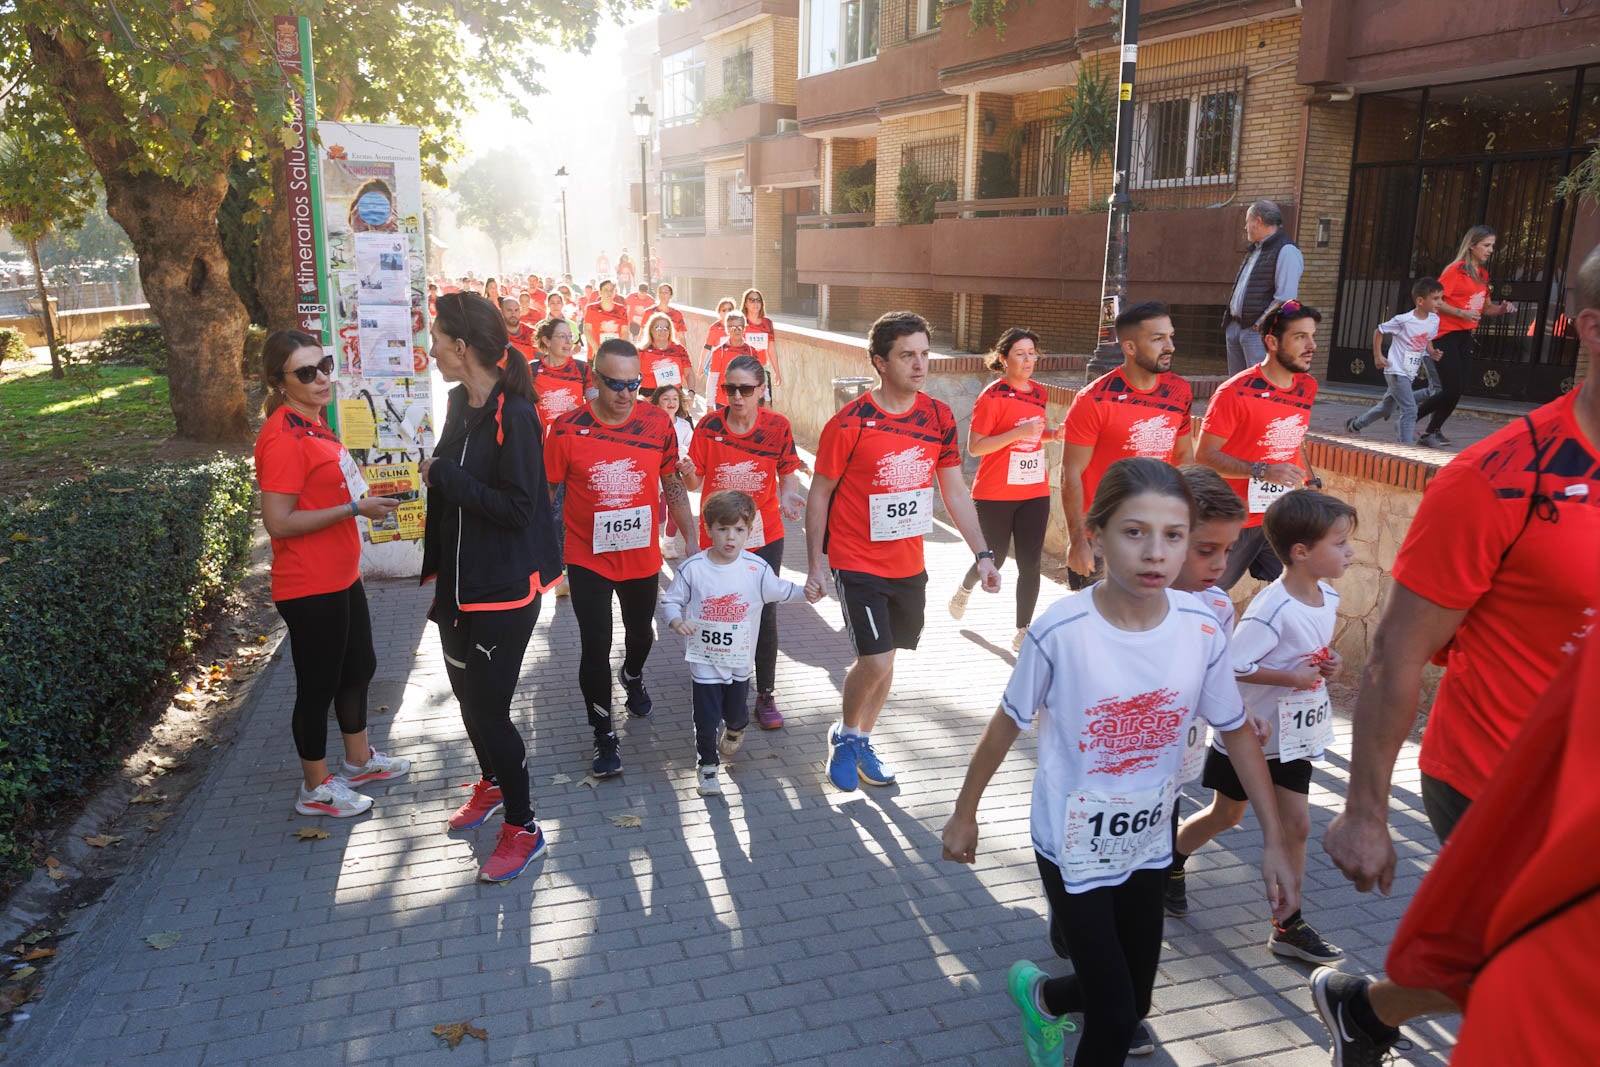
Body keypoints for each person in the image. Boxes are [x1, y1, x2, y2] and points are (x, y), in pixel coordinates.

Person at [1312, 244, 1600, 1065]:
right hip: (1496, 779)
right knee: (1539, 978)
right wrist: (1366, 811)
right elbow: (1394, 654)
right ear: (1592, 327)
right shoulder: (1500, 476)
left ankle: (1366, 1009)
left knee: (1498, 962)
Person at [940, 458, 1297, 1067]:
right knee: (1111, 1016)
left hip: (1149, 842)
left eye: (1174, 535)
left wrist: (1275, 839)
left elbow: (1236, 730)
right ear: (1096, 537)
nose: (1156, 553)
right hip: (1071, 844)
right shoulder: (1061, 630)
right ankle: (1065, 1000)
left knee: (1136, 1002)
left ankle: (1044, 996)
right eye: (1135, 532)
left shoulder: (1202, 629)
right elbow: (1006, 723)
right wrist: (964, 813)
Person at [1346, 634, 1600, 1066]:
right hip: (1479, 776)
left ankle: (1364, 1010)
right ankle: (1365, 1010)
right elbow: (1401, 647)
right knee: (1490, 959)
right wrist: (1365, 812)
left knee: (1483, 962)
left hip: (1542, 797)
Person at [804, 311, 1003, 792]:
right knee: (874, 660)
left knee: (888, 660)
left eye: (924, 354)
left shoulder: (937, 417)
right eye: (907, 355)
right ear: (880, 362)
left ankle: (862, 738)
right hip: (855, 559)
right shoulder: (850, 422)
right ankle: (844, 736)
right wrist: (815, 565)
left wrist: (982, 554)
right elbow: (820, 492)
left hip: (909, 563)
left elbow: (954, 490)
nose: (920, 364)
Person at [1169, 490, 1353, 967]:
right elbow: (1232, 665)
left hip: (1294, 735)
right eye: (1340, 543)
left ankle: (1288, 924)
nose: (1350, 552)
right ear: (1301, 552)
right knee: (1226, 816)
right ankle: (1171, 861)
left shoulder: (1329, 596)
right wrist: (1290, 678)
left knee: (1298, 825)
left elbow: (1310, 651)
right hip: (1250, 735)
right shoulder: (1272, 609)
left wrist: (1329, 661)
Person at [419, 292, 562, 882]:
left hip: (504, 590)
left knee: (489, 709)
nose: (430, 350)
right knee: (465, 697)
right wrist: (440, 474)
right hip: (457, 585)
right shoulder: (459, 402)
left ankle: (524, 828)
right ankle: (493, 782)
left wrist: (444, 475)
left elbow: (519, 509)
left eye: (435, 341)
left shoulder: (517, 414)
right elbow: (449, 475)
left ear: (460, 346)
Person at [254, 329, 409, 819]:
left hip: (341, 574)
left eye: (323, 366)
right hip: (308, 584)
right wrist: (354, 509)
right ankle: (315, 788)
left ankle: (358, 761)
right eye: (305, 372)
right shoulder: (283, 436)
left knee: (358, 668)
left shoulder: (314, 422)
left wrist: (359, 504)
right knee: (317, 686)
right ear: (279, 381)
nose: (321, 378)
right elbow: (278, 522)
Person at [544, 339, 698, 778]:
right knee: (595, 644)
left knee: (641, 635)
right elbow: (546, 492)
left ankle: (632, 674)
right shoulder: (566, 428)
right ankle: (603, 734)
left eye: (634, 384)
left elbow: (671, 482)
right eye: (616, 384)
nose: (626, 393)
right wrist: (537, 551)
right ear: (595, 380)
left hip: (640, 554)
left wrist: (691, 537)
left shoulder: (656, 422)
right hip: (587, 555)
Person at [681, 355, 807, 729]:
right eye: (730, 388)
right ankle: (716, 683)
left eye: (746, 389)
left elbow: (787, 473)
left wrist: (788, 495)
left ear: (761, 390)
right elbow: (694, 482)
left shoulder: (777, 426)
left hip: (763, 534)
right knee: (716, 609)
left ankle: (765, 693)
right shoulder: (709, 426)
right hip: (718, 536)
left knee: (764, 612)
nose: (737, 396)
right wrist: (686, 472)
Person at [662, 490, 816, 797]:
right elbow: (671, 601)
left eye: (739, 529)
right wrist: (677, 621)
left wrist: (810, 592)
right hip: (704, 661)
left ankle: (736, 728)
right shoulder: (693, 568)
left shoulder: (756, 569)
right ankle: (707, 766)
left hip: (739, 663)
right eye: (722, 529)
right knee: (705, 719)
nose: (730, 537)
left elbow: (783, 590)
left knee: (735, 713)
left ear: (749, 530)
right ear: (708, 529)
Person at [1061, 302, 1195, 592]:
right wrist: (1077, 541)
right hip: (1103, 538)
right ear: (1130, 348)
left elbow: (1184, 455)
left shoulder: (1180, 391)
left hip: (1158, 533)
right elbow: (1071, 472)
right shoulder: (1094, 400)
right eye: (1158, 339)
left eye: (1170, 337)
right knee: (1100, 618)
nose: (1170, 347)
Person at [948, 328, 1063, 652]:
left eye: (1032, 353)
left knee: (1030, 563)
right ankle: (965, 587)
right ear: (1003, 358)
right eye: (1020, 354)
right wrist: (1018, 432)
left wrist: (1053, 434)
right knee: (994, 558)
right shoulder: (992, 396)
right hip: (995, 493)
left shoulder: (1038, 393)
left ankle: (1023, 630)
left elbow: (1032, 435)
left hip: (1034, 490)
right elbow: (975, 447)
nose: (1028, 360)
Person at [1197, 301, 1322, 590]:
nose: (1311, 345)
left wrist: (1309, 480)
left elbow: (1293, 438)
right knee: (1205, 596)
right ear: (1272, 342)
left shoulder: (1307, 386)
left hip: (1281, 517)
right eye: (1300, 337)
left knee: (1300, 592)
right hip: (1232, 520)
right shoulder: (1234, 393)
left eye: (1312, 336)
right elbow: (1204, 456)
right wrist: (1262, 470)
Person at [1414, 225, 1518, 448]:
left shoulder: (1482, 275)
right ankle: (1410, 418)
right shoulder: (1456, 270)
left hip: (1464, 336)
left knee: (1458, 389)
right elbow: (1435, 301)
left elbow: (1485, 308)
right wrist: (1461, 313)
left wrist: (1501, 309)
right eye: (1486, 245)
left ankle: (1431, 431)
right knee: (1450, 389)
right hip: (1444, 335)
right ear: (1472, 245)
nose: (1490, 250)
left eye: (1492, 246)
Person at [1345, 278, 1443, 445]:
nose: (1440, 302)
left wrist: (1432, 352)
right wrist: (1378, 356)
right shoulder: (1403, 320)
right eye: (1435, 298)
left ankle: (1355, 425)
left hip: (1409, 372)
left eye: (1441, 298)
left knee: (1387, 407)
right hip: (1396, 370)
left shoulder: (1434, 320)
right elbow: (1379, 331)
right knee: (1410, 411)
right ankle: (1406, 449)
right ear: (1420, 301)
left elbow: (1427, 339)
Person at [1223, 200, 1302, 375]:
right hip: (1236, 327)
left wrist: (1261, 323)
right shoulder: (1256, 249)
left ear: (1258, 221)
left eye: (1247, 222)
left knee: (1259, 382)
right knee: (1237, 384)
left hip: (1256, 332)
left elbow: (1286, 297)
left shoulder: (1286, 251)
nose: (1245, 227)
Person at [650, 382, 694, 559]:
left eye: (675, 398)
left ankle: (668, 543)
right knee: (658, 515)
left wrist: (686, 457)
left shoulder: (684, 425)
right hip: (655, 477)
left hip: (676, 475)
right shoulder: (650, 423)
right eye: (666, 398)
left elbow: (691, 447)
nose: (671, 402)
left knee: (675, 511)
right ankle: (652, 541)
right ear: (657, 402)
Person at [530, 316, 590, 427]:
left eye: (570, 336)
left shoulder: (583, 368)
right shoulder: (532, 370)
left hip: (573, 435)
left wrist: (582, 414)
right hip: (543, 437)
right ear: (546, 341)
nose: (569, 342)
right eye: (562, 337)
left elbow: (597, 407)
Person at [639, 312, 694, 401]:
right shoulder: (641, 350)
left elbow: (689, 373)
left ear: (670, 331)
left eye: (666, 328)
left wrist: (691, 393)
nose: (662, 331)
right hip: (649, 398)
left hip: (674, 398)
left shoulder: (679, 350)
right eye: (658, 328)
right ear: (651, 330)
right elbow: (630, 375)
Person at [705, 311, 758, 403]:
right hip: (723, 402)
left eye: (740, 327)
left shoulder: (751, 351)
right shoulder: (719, 351)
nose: (737, 330)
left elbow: (758, 377)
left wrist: (765, 398)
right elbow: (712, 379)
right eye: (733, 327)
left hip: (744, 402)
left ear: (744, 328)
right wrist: (709, 403)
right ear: (727, 329)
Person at [739, 287, 782, 390]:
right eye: (752, 300)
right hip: (744, 369)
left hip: (763, 369)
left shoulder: (767, 323)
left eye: (758, 300)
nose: (756, 303)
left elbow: (771, 349)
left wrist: (777, 372)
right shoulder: (740, 322)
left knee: (765, 399)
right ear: (745, 304)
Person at [582, 279, 630, 357]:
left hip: (615, 353)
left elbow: (625, 331)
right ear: (600, 292)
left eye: (611, 290)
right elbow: (587, 329)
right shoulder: (591, 308)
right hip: (596, 352)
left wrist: (621, 347)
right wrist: (594, 346)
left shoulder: (622, 309)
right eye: (606, 290)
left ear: (615, 292)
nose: (609, 293)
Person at [701, 296, 738, 373]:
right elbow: (707, 347)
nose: (727, 312)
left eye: (730, 309)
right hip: (719, 364)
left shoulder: (738, 326)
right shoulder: (715, 327)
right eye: (724, 310)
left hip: (734, 364)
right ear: (719, 312)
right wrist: (701, 365)